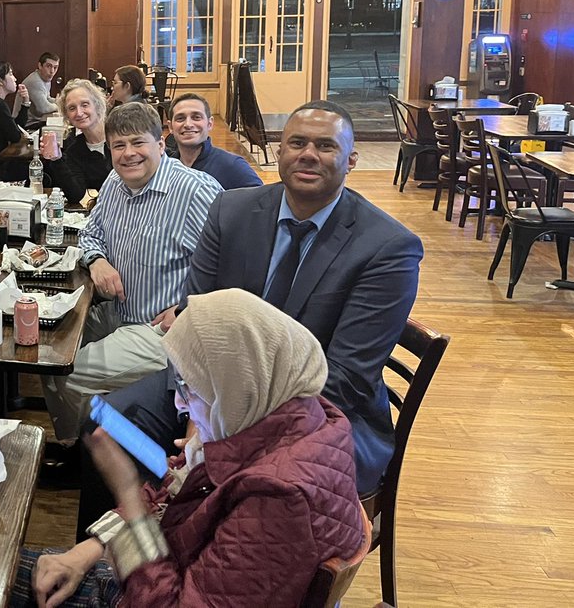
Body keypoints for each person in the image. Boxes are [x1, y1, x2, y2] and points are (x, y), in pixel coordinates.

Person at [101, 100, 423, 500]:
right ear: (280, 151)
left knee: (246, 485)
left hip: (316, 414)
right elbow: (194, 321)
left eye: (325, 146)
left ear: (351, 160)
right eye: (297, 142)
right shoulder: (231, 211)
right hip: (214, 388)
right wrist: (197, 416)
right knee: (109, 426)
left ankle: (191, 547)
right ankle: (120, 556)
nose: (308, 154)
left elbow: (344, 381)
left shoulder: (387, 248)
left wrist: (222, 433)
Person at [17, 289, 366, 608]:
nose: (183, 404)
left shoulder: (279, 498)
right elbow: (174, 493)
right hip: (172, 573)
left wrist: (128, 494)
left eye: (192, 387)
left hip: (160, 590)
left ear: (233, 385)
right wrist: (87, 552)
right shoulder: (280, 415)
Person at [41, 102, 222, 449]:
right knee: (48, 355)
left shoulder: (196, 191)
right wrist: (97, 261)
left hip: (161, 330)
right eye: (118, 146)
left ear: (160, 143)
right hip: (116, 312)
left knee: (70, 372)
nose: (128, 155)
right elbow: (89, 232)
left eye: (138, 143)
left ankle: (92, 453)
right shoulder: (114, 182)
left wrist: (186, 309)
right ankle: (74, 441)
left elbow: (231, 264)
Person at [164, 93, 262, 189]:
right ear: (170, 127)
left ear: (210, 123)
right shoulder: (166, 166)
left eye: (196, 117)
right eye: (180, 118)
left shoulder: (232, 166)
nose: (188, 124)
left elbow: (262, 200)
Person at [41, 78, 112, 204]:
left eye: (85, 105)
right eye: (72, 108)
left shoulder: (119, 136)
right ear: (67, 115)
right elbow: (76, 195)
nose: (79, 113)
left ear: (97, 105)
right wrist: (57, 159)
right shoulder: (75, 149)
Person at [12, 51, 62, 127]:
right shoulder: (35, 82)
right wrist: (59, 105)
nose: (52, 71)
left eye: (55, 67)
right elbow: (44, 108)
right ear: (40, 66)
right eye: (48, 66)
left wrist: (59, 101)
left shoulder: (46, 78)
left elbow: (47, 98)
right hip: (26, 124)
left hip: (36, 121)